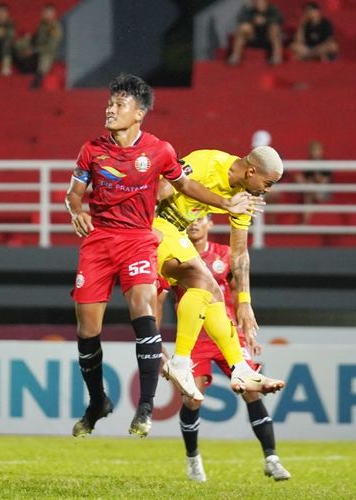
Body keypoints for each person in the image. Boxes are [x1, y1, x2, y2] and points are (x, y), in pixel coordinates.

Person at [66, 74, 260, 438]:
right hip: (98, 242)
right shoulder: (91, 149)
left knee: (144, 308)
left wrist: (224, 203)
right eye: (109, 103)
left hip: (139, 239)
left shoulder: (160, 150)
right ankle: (97, 402)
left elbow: (185, 184)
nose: (110, 109)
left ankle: (145, 407)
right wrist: (75, 208)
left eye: (119, 104)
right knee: (87, 330)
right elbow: (73, 194)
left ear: (138, 113)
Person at [158, 215, 290, 482]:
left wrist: (247, 332)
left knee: (252, 391)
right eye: (190, 219)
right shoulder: (175, 255)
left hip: (227, 334)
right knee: (192, 399)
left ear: (210, 224)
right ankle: (193, 459)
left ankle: (271, 458)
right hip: (194, 338)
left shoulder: (224, 254)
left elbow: (237, 294)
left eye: (200, 218)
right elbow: (159, 298)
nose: (194, 223)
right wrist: (157, 342)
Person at [156, 146, 286, 402]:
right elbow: (161, 188)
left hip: (176, 233)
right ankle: (182, 361)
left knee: (212, 291)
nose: (267, 190)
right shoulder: (208, 162)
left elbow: (239, 253)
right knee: (205, 282)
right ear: (251, 171)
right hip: (156, 226)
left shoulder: (243, 196)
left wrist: (245, 302)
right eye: (268, 183)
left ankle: (240, 368)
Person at [13, 3, 63, 89]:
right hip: (36, 49)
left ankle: (39, 78)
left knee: (45, 56)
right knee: (19, 44)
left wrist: (33, 50)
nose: (45, 14)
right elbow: (35, 39)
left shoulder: (55, 28)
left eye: (48, 13)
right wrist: (26, 41)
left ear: (53, 14)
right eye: (44, 12)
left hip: (48, 52)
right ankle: (20, 64)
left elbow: (50, 47)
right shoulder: (41, 25)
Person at [228, 0, 284, 66]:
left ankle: (276, 57)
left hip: (268, 38)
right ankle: (235, 56)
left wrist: (265, 20)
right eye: (258, 3)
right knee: (243, 28)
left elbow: (279, 19)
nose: (260, 5)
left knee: (274, 28)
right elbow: (241, 19)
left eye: (262, 3)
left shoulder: (273, 9)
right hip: (254, 37)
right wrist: (253, 21)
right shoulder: (249, 10)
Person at [293, 140, 331, 224]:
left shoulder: (325, 164)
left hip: (323, 192)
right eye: (312, 150)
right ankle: (305, 221)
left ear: (321, 151)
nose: (314, 153)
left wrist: (315, 178)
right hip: (310, 190)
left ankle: (305, 221)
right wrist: (299, 178)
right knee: (307, 189)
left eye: (316, 150)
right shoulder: (309, 163)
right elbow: (304, 177)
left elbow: (324, 181)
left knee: (309, 190)